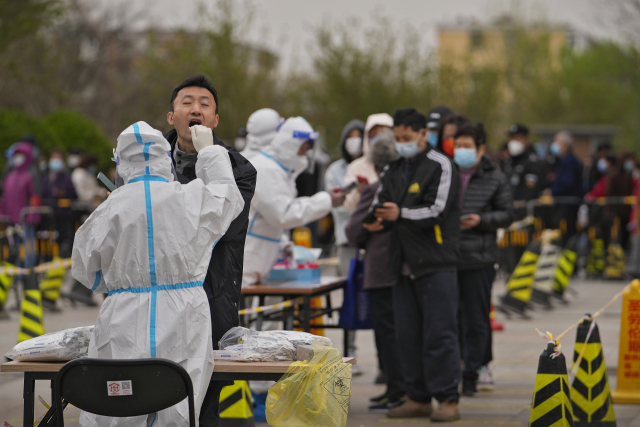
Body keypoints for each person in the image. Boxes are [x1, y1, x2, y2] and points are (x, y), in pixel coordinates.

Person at [73, 121, 244, 427]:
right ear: (165, 158)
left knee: (120, 403)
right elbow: (228, 198)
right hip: (185, 314)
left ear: (121, 163)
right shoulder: (190, 197)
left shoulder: (110, 209)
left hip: (123, 317)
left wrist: (117, 284)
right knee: (177, 404)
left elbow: (86, 270)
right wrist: (210, 153)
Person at [164, 74, 257, 427]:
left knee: (205, 400)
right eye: (187, 102)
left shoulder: (240, 170)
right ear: (171, 117)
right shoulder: (144, 163)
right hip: (158, 298)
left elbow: (221, 227)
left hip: (213, 292)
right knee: (155, 386)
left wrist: (209, 157)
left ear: (215, 121)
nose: (196, 109)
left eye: (205, 104)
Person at [367, 107, 461, 421]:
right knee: (406, 335)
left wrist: (400, 214)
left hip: (435, 263)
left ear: (423, 135)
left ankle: (448, 397)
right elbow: (381, 201)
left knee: (439, 334)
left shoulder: (441, 165)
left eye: (407, 138)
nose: (402, 143)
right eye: (397, 138)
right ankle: (417, 396)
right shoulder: (393, 168)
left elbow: (438, 209)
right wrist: (377, 218)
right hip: (401, 264)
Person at [242, 116, 345, 286]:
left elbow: (268, 220)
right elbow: (284, 214)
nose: (304, 155)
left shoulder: (281, 172)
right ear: (290, 145)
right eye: (302, 149)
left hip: (259, 264)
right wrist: (326, 199)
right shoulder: (264, 169)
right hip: (246, 263)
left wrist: (283, 246)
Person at [345, 128, 405, 412]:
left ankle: (395, 391)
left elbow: (353, 230)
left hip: (380, 271)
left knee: (387, 335)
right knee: (399, 333)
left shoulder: (374, 189)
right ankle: (396, 389)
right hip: (402, 270)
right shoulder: (407, 190)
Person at [452, 123, 514, 396]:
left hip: (480, 258)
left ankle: (472, 373)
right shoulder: (447, 172)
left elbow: (507, 214)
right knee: (450, 319)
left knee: (477, 319)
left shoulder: (495, 176)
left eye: (467, 146)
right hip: (448, 257)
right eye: (458, 146)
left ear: (480, 149)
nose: (461, 151)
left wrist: (481, 221)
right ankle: (453, 369)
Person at [325, 119, 366, 275]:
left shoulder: (374, 166)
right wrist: (361, 197)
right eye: (350, 136)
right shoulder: (335, 170)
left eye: (359, 136)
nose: (355, 140)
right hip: (346, 240)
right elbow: (337, 207)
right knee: (350, 287)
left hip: (372, 240)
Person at [0, 142, 41, 269]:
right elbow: (5, 197)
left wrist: (31, 215)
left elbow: (35, 196)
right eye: (16, 155)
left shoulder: (30, 176)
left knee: (28, 246)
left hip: (25, 219)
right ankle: (17, 274)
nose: (17, 158)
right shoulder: (9, 176)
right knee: (14, 247)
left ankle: (30, 272)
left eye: (21, 155)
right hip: (10, 219)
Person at [342, 113, 394, 211]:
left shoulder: (402, 164)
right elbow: (348, 205)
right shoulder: (356, 167)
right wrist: (359, 191)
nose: (379, 138)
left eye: (383, 132)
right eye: (374, 134)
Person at [502, 123, 550, 207]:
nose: (512, 142)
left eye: (516, 138)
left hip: (526, 212)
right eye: (511, 138)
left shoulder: (534, 162)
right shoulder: (509, 162)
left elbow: (530, 191)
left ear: (526, 139)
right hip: (508, 210)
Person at [41, 150, 77, 258]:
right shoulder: (46, 178)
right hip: (48, 215)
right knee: (48, 241)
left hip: (62, 215)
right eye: (54, 158)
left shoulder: (66, 178)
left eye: (58, 159)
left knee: (63, 241)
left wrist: (63, 193)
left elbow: (74, 195)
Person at [550, 131, 583, 243]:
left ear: (565, 145)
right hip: (566, 204)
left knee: (566, 235)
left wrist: (553, 191)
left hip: (567, 205)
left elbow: (567, 183)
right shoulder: (564, 160)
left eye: (557, 142)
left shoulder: (569, 162)